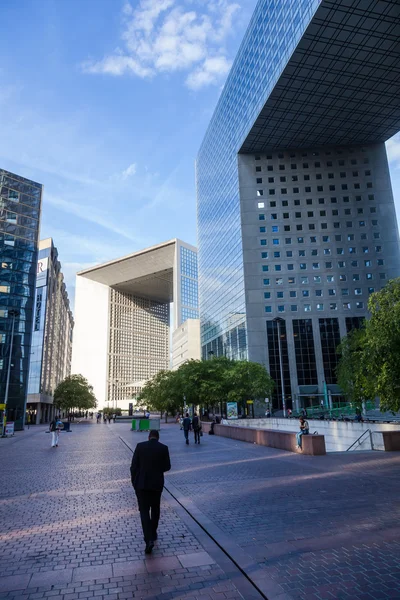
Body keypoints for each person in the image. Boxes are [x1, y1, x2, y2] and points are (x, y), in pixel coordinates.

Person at [130, 430, 171, 555]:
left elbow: (133, 467)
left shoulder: (140, 446)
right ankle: (153, 533)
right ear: (158, 438)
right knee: (155, 509)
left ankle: (148, 540)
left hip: (142, 485)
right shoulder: (163, 448)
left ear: (149, 437)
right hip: (157, 484)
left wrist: (135, 483)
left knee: (144, 512)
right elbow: (167, 467)